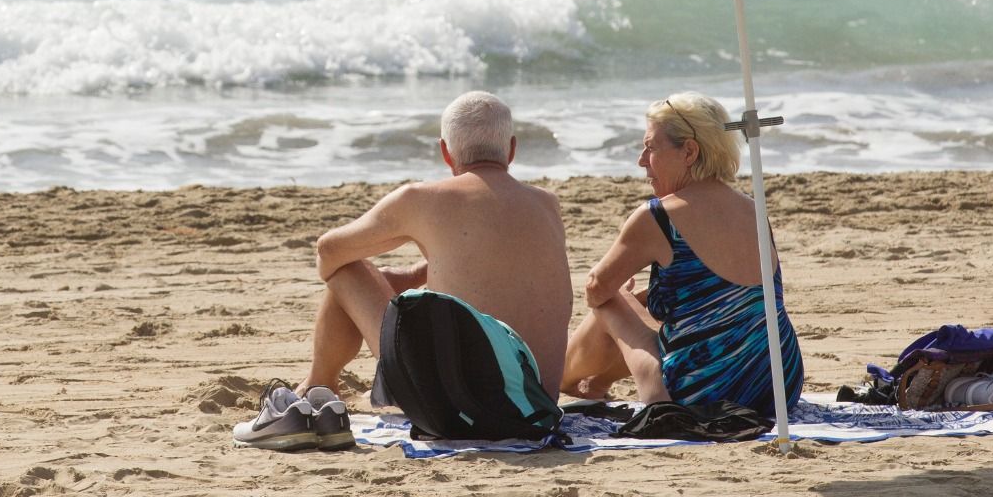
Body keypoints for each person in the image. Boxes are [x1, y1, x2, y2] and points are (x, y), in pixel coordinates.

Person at [233, 91, 572, 450]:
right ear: (512, 149)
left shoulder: (422, 198)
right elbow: (500, 269)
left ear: (445, 151)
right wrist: (414, 275)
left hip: (458, 410)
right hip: (535, 407)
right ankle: (324, 386)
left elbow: (328, 251)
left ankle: (319, 387)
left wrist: (382, 281)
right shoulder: (547, 204)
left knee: (348, 269)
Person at [561, 92, 803, 411]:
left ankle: (562, 380)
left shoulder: (658, 217)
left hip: (698, 391)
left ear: (689, 151)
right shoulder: (753, 210)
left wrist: (624, 298)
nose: (641, 161)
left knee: (610, 301)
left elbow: (595, 290)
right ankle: (599, 382)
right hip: (778, 385)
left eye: (650, 148)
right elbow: (723, 296)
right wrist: (647, 297)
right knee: (643, 306)